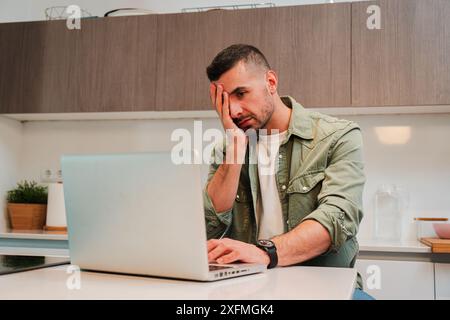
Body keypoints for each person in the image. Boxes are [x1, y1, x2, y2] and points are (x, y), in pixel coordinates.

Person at [203, 44, 371, 299]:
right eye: (227, 101)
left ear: (270, 81)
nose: (234, 111)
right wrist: (235, 148)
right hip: (250, 289)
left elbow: (336, 219)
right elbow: (209, 229)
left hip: (322, 286)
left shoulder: (338, 136)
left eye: (241, 93)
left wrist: (265, 252)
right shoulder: (227, 148)